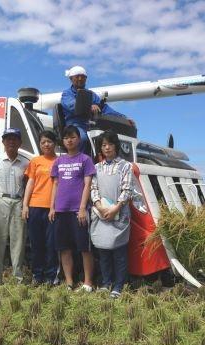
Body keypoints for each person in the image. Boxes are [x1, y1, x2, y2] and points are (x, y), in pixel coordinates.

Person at [49, 125, 96, 291]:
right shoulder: (58, 161)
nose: (69, 140)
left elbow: (88, 184)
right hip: (61, 211)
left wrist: (83, 208)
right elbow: (55, 185)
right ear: (63, 141)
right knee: (64, 248)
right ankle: (69, 282)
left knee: (84, 248)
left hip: (78, 211)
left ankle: (88, 282)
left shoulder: (85, 160)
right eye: (66, 137)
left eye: (73, 137)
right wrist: (52, 207)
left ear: (79, 139)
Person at [90, 131, 133, 298]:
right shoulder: (96, 167)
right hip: (101, 213)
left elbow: (127, 189)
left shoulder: (125, 166)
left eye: (110, 144)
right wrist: (100, 207)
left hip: (119, 213)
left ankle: (118, 285)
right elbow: (94, 189)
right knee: (103, 251)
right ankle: (106, 282)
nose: (107, 148)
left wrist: (115, 208)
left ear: (116, 145)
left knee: (119, 251)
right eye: (103, 145)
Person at [0, 128, 28, 286]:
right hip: (0, 200)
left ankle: (18, 278)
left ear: (20, 143)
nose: (11, 141)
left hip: (19, 202)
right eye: (8, 138)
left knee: (18, 242)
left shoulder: (26, 163)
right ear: (3, 142)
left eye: (15, 139)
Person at [61, 65, 127, 153]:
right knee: (82, 139)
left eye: (83, 77)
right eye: (77, 77)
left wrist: (124, 117)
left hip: (91, 125)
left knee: (106, 140)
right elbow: (72, 106)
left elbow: (105, 108)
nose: (80, 79)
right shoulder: (67, 94)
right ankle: (78, 162)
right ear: (71, 79)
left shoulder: (91, 94)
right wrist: (89, 107)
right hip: (74, 125)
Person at [22, 131, 58, 286]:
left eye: (49, 141)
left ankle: (50, 277)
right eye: (43, 142)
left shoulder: (60, 161)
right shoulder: (35, 161)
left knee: (51, 244)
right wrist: (25, 205)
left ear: (54, 143)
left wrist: (54, 207)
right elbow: (30, 183)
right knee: (37, 244)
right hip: (35, 207)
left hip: (53, 209)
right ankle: (37, 275)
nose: (46, 145)